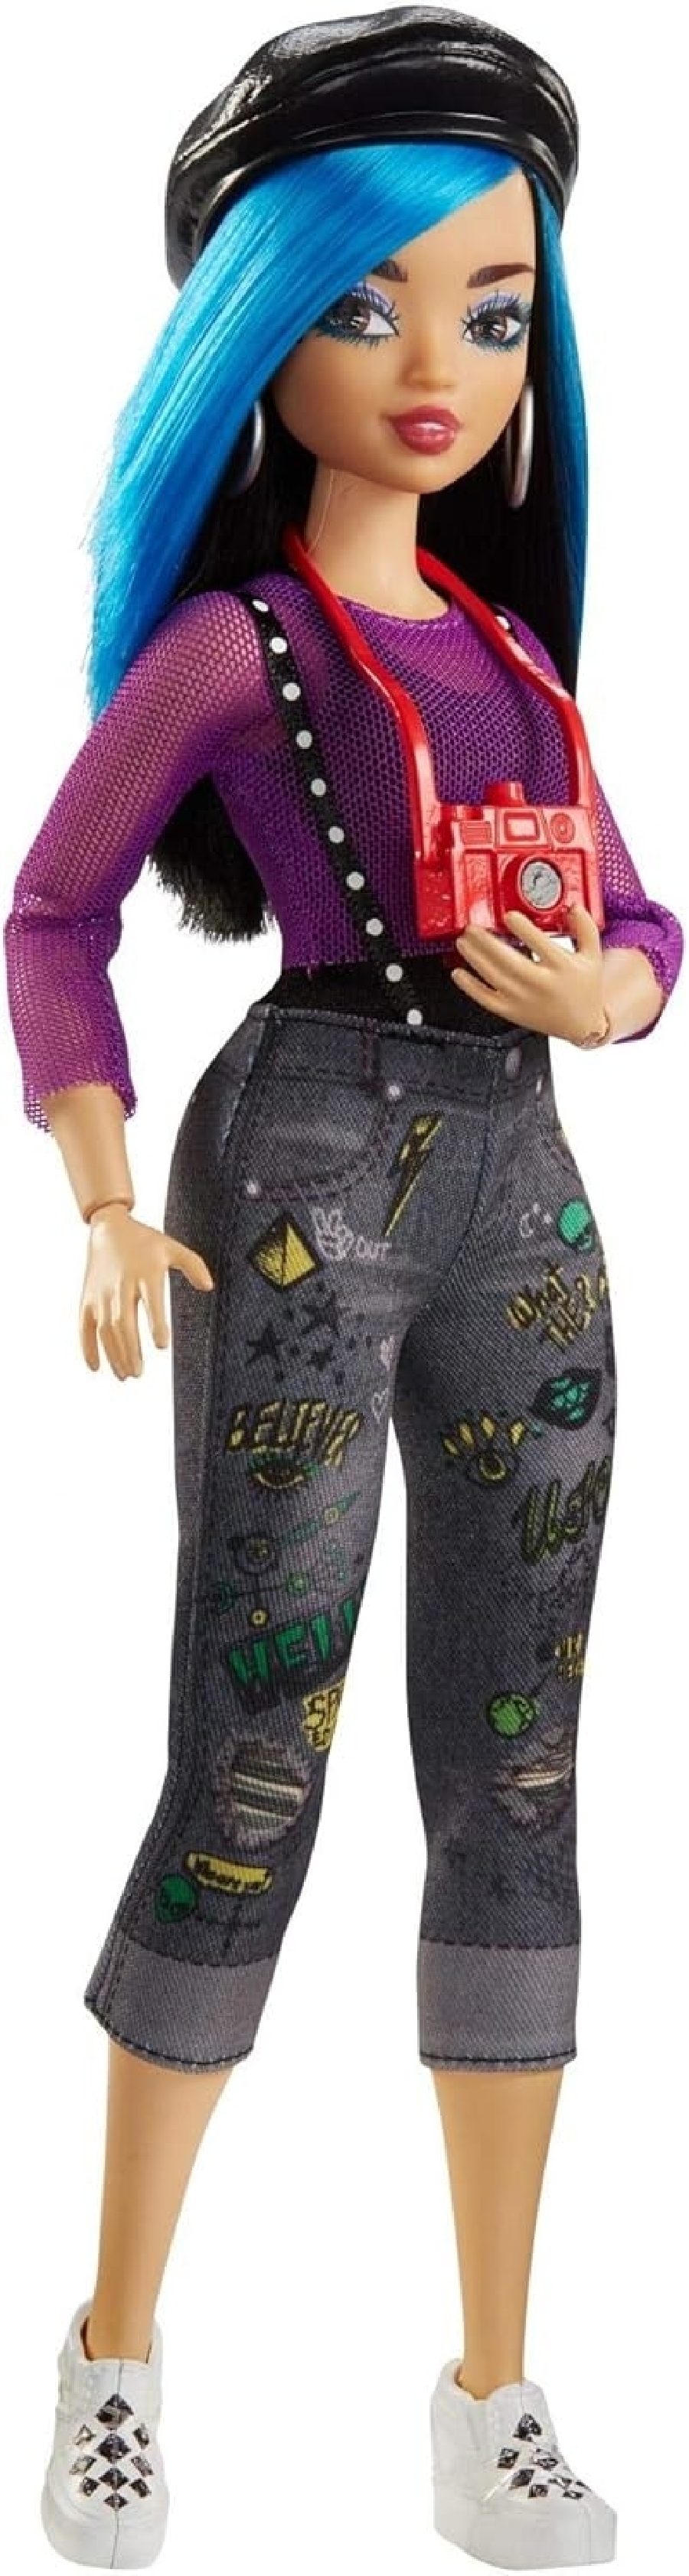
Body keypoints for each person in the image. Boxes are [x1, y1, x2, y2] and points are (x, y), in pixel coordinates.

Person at [4, 11, 683, 2568]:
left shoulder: (524, 664)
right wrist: (97, 1188)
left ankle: (490, 2380)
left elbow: (643, 922)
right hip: (293, 1176)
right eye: (362, 301)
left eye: (490, 312)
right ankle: (111, 2343)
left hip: (526, 1195)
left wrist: (610, 993)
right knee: (251, 1751)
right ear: (255, 332)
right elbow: (50, 913)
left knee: (518, 1768)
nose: (431, 363)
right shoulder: (235, 651)